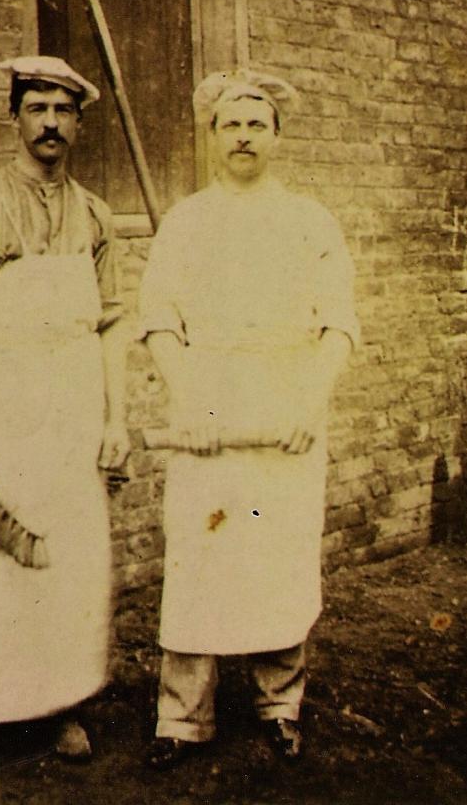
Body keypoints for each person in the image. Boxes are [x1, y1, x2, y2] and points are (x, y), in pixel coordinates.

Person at [138, 67, 359, 769]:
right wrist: (191, 402)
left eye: (256, 124)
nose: (242, 136)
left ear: (277, 137)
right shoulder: (185, 222)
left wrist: (308, 403)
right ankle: (182, 716)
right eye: (230, 124)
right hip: (207, 406)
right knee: (198, 554)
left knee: (278, 556)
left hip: (284, 407)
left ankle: (279, 703)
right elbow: (159, 323)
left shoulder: (310, 221)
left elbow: (338, 325)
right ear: (211, 137)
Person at [0, 55, 130, 782]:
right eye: (36, 108)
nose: (49, 123)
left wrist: (116, 418)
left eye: (62, 111)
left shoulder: (96, 215)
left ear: (78, 124)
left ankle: (55, 699)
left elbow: (111, 323)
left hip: (74, 409)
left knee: (68, 561)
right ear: (14, 118)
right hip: (4, 406)